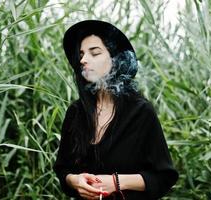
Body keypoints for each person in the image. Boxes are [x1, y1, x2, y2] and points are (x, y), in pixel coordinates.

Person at [53, 20, 178, 200]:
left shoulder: (141, 112)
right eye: (81, 54)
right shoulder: (76, 112)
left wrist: (116, 182)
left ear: (116, 59)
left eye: (94, 53)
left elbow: (164, 176)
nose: (83, 60)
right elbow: (63, 169)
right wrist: (75, 180)